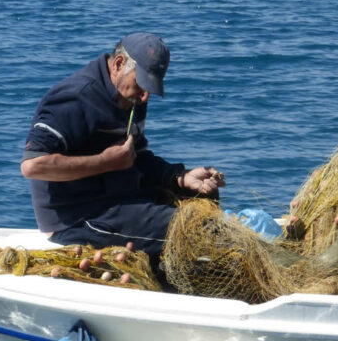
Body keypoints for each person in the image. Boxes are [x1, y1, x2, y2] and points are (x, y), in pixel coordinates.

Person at [21, 32, 225, 255]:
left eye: (151, 87)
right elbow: (33, 165)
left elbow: (133, 157)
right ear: (119, 64)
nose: (145, 96)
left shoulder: (132, 95)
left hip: (120, 196)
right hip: (77, 218)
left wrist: (179, 176)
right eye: (141, 83)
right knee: (194, 227)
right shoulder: (75, 97)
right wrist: (105, 162)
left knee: (204, 198)